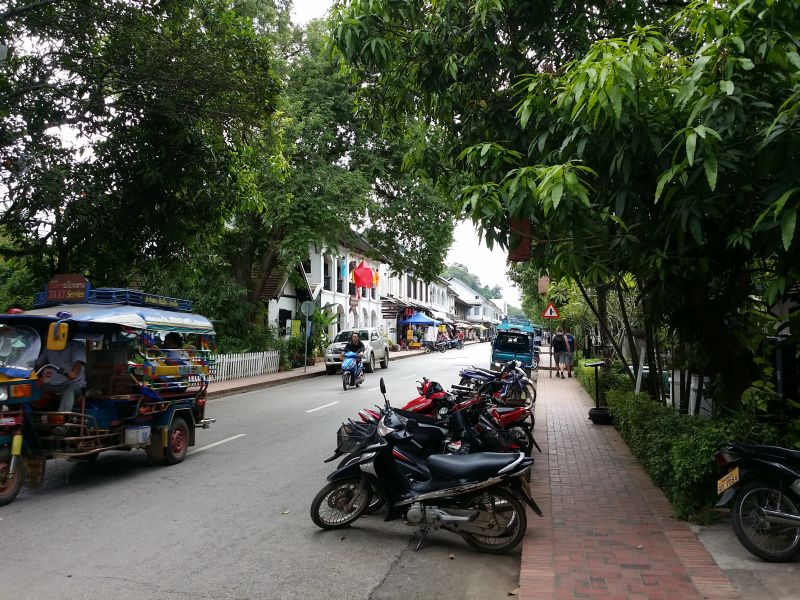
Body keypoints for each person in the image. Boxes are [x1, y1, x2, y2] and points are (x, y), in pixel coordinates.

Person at [37, 336, 87, 411]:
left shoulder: (77, 346)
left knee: (68, 389)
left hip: (73, 384)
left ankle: (62, 417)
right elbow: (38, 364)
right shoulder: (49, 346)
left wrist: (63, 371)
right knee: (31, 388)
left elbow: (73, 375)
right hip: (53, 385)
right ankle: (28, 416)